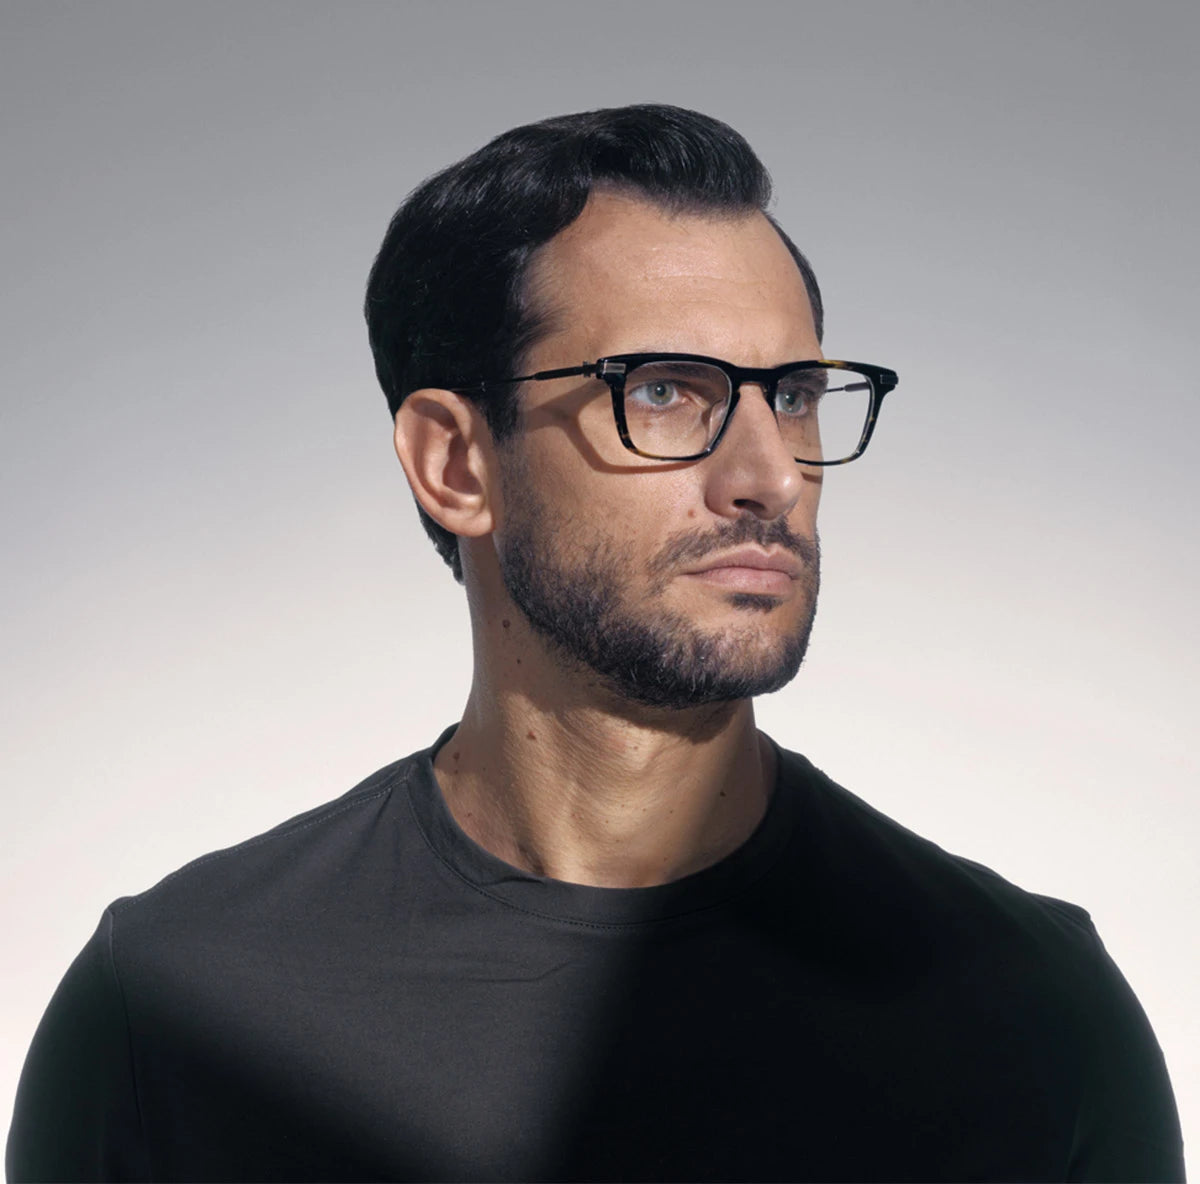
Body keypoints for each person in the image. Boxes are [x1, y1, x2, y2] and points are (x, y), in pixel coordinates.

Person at [7, 103, 1184, 1183]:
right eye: (665, 391)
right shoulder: (177, 1005)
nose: (770, 475)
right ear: (455, 463)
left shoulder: (1029, 1006)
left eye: (791, 394)